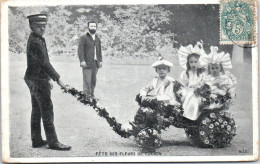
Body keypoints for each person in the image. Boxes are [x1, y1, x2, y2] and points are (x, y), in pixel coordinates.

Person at [24, 14, 71, 151]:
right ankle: (53, 142)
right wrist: (58, 79)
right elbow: (45, 63)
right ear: (31, 26)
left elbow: (40, 63)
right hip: (37, 80)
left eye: (44, 26)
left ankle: (37, 139)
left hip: (34, 78)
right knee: (47, 110)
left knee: (37, 109)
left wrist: (48, 79)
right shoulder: (35, 42)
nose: (42, 28)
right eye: (39, 26)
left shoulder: (37, 39)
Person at [178, 42, 207, 120]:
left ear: (199, 62)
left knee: (194, 100)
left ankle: (191, 117)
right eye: (191, 62)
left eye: (195, 62)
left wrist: (199, 88)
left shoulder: (202, 73)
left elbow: (204, 83)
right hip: (188, 90)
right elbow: (183, 85)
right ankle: (183, 115)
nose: (193, 64)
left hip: (198, 92)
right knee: (185, 95)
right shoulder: (186, 73)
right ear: (188, 63)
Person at [78, 19, 102, 100]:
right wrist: (82, 61)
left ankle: (91, 95)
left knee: (93, 81)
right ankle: (86, 97)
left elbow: (99, 50)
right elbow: (80, 50)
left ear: (96, 27)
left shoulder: (98, 39)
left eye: (94, 26)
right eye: (91, 26)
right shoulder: (83, 38)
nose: (93, 28)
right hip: (87, 63)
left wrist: (100, 60)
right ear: (88, 27)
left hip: (96, 63)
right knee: (87, 81)